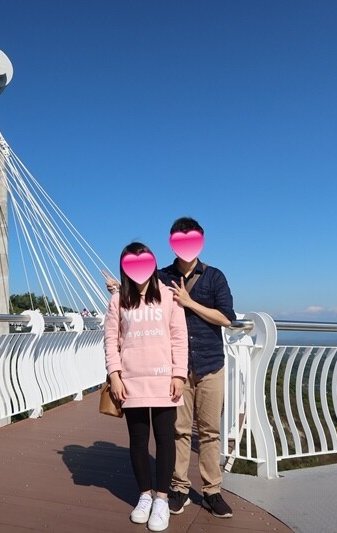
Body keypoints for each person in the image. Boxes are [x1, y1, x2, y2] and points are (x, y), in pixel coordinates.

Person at [104, 217, 236, 519]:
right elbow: (139, 292)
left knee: (209, 431)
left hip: (208, 363)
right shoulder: (162, 276)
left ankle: (212, 491)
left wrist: (189, 302)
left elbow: (227, 318)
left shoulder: (214, 277)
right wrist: (117, 288)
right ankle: (176, 489)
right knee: (176, 432)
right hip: (172, 369)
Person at [104, 242, 188, 532]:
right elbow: (111, 340)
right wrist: (115, 375)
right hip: (131, 381)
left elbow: (179, 337)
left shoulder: (168, 297)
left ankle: (161, 499)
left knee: (165, 438)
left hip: (164, 379)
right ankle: (144, 495)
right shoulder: (118, 301)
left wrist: (179, 374)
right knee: (138, 440)